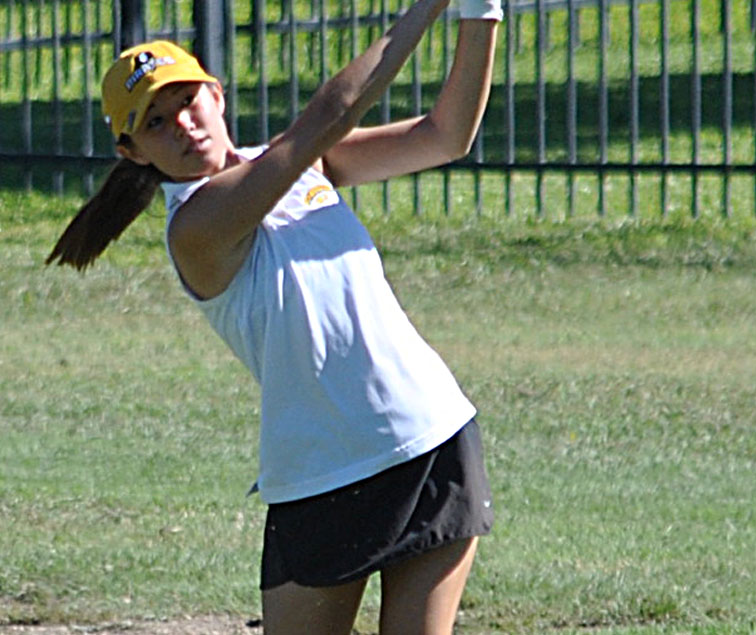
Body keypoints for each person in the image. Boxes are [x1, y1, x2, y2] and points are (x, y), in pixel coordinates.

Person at [46, 0, 502, 632]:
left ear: (216, 92)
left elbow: (446, 136)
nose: (181, 122)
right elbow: (330, 115)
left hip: (430, 433)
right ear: (133, 151)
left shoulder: (300, 165)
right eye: (154, 121)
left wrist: (482, 12)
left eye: (186, 99)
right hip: (321, 475)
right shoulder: (196, 229)